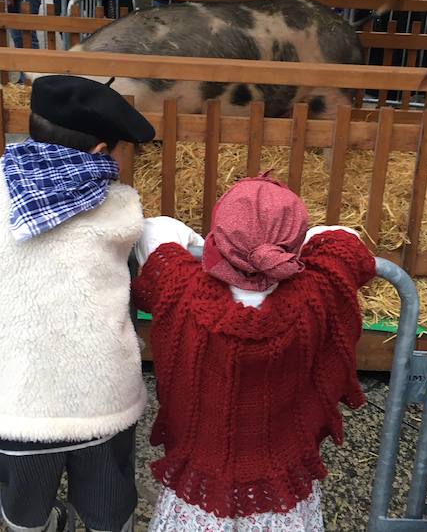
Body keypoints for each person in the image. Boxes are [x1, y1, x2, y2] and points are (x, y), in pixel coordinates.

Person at [0, 75, 156, 532]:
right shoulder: (122, 206)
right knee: (108, 507)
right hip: (101, 404)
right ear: (102, 151)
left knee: (24, 510)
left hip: (10, 405)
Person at [133, 175, 376, 531]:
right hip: (281, 494)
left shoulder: (181, 285)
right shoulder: (318, 290)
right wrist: (287, 244)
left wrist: (201, 246)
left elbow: (157, 229)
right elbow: (344, 238)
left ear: (220, 241)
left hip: (200, 491)